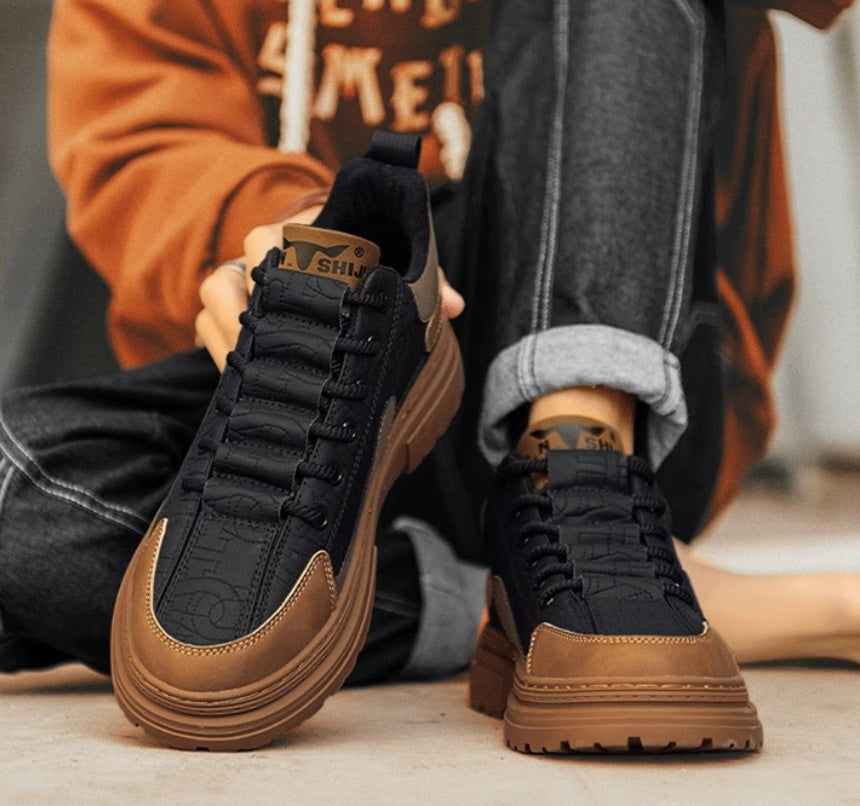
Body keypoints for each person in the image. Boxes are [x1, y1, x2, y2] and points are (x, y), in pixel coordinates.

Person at [0, 0, 856, 752]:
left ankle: (581, 484)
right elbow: (140, 138)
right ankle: (502, 604)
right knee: (16, 489)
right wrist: (303, 244)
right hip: (311, 420)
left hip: (634, 376)